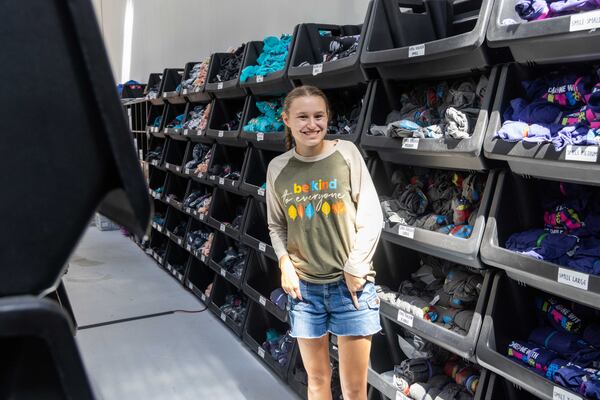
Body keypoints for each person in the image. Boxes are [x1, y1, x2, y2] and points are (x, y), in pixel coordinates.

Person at [266, 85, 383, 400]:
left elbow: (372, 215)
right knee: (317, 381)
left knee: (354, 388)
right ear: (286, 119)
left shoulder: (346, 153)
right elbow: (276, 224)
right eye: (302, 116)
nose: (311, 124)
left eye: (318, 116)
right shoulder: (277, 168)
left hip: (352, 289)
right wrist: (284, 263)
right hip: (305, 291)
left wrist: (356, 266)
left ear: (328, 117)